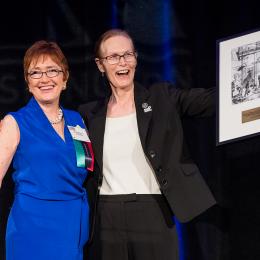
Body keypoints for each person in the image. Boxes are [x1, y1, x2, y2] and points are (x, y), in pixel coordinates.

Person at [79, 29, 216, 260]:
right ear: (100, 65)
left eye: (127, 55)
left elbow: (209, 100)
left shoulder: (161, 98)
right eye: (113, 57)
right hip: (106, 216)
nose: (122, 62)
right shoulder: (89, 115)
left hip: (154, 212)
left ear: (136, 58)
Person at [0, 41, 93, 260]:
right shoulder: (14, 122)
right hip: (31, 227)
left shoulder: (77, 120)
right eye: (35, 72)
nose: (44, 79)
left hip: (72, 225)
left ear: (65, 78)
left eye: (52, 70)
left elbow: (85, 167)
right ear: (27, 82)